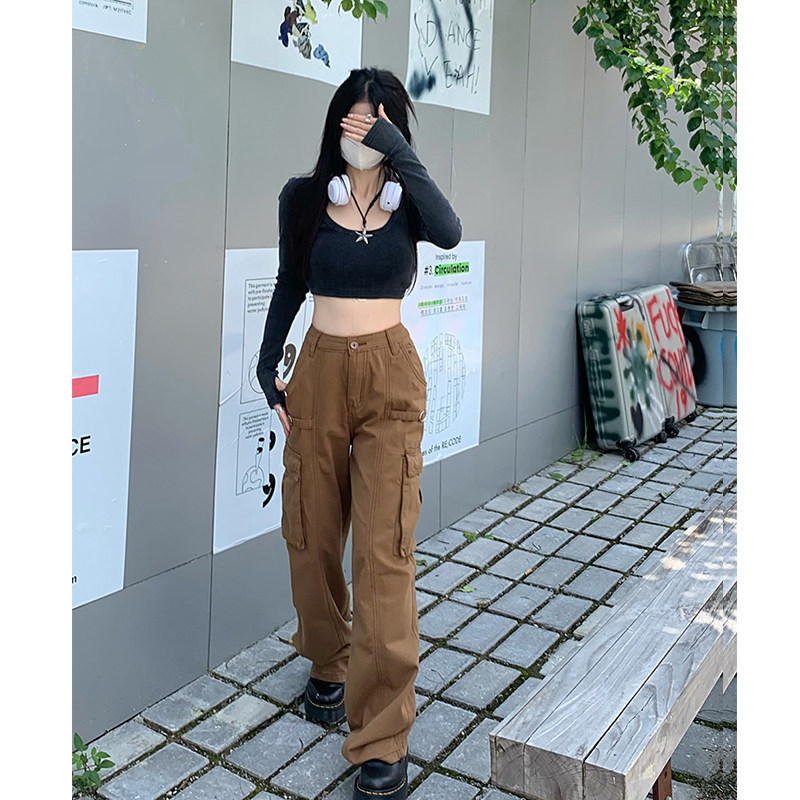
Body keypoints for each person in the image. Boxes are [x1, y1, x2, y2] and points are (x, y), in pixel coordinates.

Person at [256, 66, 462, 800]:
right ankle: (329, 659)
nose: (363, 131)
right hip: (317, 367)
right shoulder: (304, 197)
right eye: (354, 117)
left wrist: (399, 151)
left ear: (395, 128)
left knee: (385, 551)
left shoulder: (411, 203)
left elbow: (451, 232)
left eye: (378, 121)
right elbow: (290, 281)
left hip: (389, 373)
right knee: (310, 530)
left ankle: (381, 734)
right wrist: (267, 362)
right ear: (335, 121)